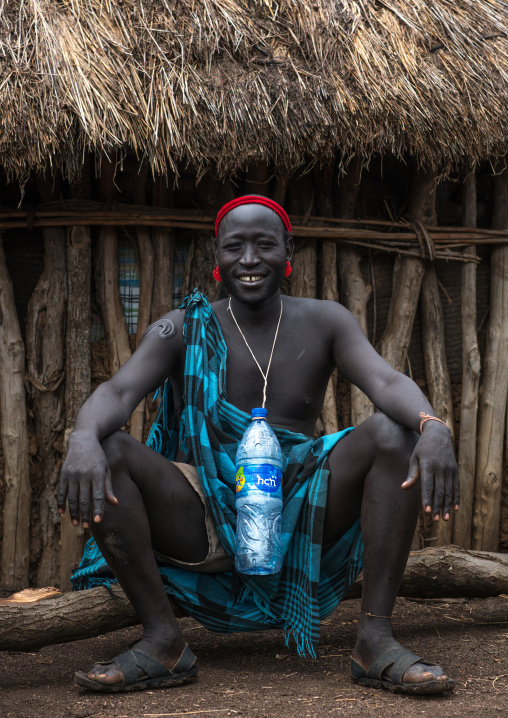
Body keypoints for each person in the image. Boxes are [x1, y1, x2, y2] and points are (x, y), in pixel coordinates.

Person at [58, 195, 458, 696]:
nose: (249, 260)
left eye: (264, 245)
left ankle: (375, 641)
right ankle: (163, 641)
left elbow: (385, 380)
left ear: (287, 250)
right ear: (217, 257)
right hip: (202, 506)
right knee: (108, 450)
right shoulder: (184, 327)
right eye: (235, 247)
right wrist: (81, 436)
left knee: (394, 433)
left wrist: (432, 424)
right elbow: (117, 392)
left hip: (301, 496)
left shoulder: (325, 320)